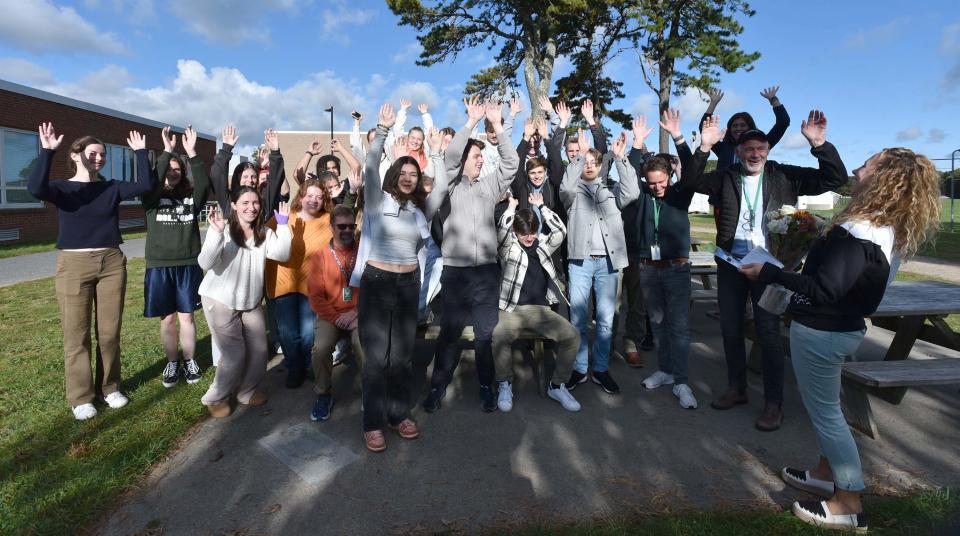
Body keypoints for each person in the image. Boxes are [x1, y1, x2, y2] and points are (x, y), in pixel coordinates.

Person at [738, 147, 941, 531]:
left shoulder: (859, 230)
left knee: (828, 416)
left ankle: (847, 503)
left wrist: (770, 273)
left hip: (822, 332)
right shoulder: (883, 227)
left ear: (884, 179)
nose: (859, 168)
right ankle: (823, 473)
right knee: (827, 409)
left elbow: (824, 289)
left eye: (868, 164)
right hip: (840, 328)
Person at [685, 111, 848, 431]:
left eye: (760, 148)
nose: (755, 154)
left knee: (769, 334)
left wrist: (819, 144)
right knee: (730, 330)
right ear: (739, 151)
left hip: (771, 270)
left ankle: (774, 404)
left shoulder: (784, 175)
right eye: (748, 149)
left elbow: (834, 179)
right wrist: (703, 148)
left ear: (768, 151)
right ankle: (737, 388)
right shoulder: (726, 175)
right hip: (731, 266)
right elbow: (689, 181)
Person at [27, 123, 154, 420]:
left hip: (111, 262)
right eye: (92, 153)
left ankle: (109, 388)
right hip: (74, 264)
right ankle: (81, 397)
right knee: (77, 334)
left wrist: (140, 153)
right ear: (75, 155)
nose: (98, 159)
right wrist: (46, 152)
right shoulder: (62, 188)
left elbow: (145, 186)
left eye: (102, 155)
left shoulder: (110, 187)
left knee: (109, 334)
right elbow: (35, 188)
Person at [356, 103, 446, 452]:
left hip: (409, 286)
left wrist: (436, 153)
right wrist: (381, 130)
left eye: (413, 173)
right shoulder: (377, 201)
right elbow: (369, 164)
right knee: (377, 359)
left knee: (402, 358)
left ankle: (398, 415)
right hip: (378, 283)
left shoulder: (419, 210)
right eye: (403, 172)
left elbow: (439, 187)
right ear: (394, 175)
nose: (409, 177)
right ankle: (373, 422)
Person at [422, 95, 519, 414]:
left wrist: (496, 125)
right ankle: (437, 386)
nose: (480, 159)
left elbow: (510, 164)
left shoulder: (489, 186)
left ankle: (485, 387)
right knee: (449, 334)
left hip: (486, 274)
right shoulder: (449, 186)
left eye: (480, 155)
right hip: (456, 274)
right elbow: (449, 159)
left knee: (484, 336)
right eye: (476, 155)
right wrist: (471, 123)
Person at [625, 113, 699, 408]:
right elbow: (629, 174)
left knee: (678, 327)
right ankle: (666, 370)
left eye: (661, 181)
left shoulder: (680, 194)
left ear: (670, 176)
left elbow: (693, 173)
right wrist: (637, 143)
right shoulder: (643, 194)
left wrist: (679, 138)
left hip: (677, 268)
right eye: (652, 182)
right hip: (648, 268)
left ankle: (681, 381)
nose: (657, 187)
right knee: (656, 323)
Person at [197, 190, 292, 417]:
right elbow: (205, 261)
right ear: (234, 205)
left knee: (260, 350)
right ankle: (215, 397)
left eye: (255, 202)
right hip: (220, 300)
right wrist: (217, 234)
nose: (251, 207)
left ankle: (246, 392)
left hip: (249, 302)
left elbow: (282, 254)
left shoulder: (265, 232)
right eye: (245, 203)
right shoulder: (224, 229)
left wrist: (284, 225)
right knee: (234, 355)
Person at [560, 127, 640, 395]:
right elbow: (566, 186)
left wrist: (620, 158)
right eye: (586, 162)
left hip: (608, 263)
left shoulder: (612, 191)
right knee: (578, 319)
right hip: (580, 263)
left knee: (606, 320)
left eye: (594, 162)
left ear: (601, 167)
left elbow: (633, 193)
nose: (590, 166)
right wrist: (579, 156)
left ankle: (601, 369)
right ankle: (580, 369)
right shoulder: (572, 193)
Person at [492, 194, 581, 412]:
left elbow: (560, 232)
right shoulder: (507, 247)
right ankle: (505, 383)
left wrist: (542, 207)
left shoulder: (542, 245)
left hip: (541, 310)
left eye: (532, 232)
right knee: (498, 335)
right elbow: (502, 231)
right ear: (516, 232)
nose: (529, 237)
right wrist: (511, 207)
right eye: (524, 234)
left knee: (572, 336)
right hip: (512, 309)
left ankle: (557, 385)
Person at [144, 126, 209, 388]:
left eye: (177, 169)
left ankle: (190, 361)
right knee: (168, 318)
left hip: (188, 264)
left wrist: (192, 154)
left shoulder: (190, 200)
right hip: (160, 266)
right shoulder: (150, 199)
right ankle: (172, 363)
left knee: (187, 317)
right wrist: (167, 151)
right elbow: (152, 181)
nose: (172, 172)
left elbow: (204, 185)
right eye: (169, 168)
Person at [265, 175, 334, 388]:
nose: (313, 200)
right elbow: (264, 243)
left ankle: (307, 364)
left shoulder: (328, 220)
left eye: (319, 197)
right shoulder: (283, 217)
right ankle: (294, 367)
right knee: (287, 333)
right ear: (301, 196)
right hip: (282, 283)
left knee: (307, 333)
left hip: (312, 286)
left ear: (324, 201)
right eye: (309, 195)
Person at [306, 205, 364, 421]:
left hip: (358, 314)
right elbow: (315, 297)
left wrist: (357, 312)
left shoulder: (363, 252)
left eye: (351, 226)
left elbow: (371, 290)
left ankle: (368, 390)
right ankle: (323, 394)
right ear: (331, 227)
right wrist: (337, 317)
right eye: (342, 226)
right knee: (320, 349)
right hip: (331, 315)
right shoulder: (319, 257)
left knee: (364, 345)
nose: (347, 230)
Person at [701, 86, 790, 169]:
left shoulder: (761, 143)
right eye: (734, 126)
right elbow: (704, 129)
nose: (738, 128)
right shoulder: (722, 147)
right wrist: (713, 103)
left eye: (743, 125)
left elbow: (783, 122)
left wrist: (773, 100)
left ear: (750, 127)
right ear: (729, 129)